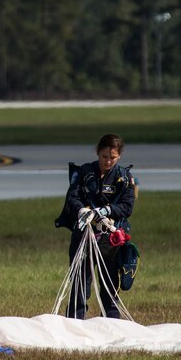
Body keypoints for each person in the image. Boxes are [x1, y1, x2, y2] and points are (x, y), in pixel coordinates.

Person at [54, 134, 136, 319]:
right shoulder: (84, 173)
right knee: (80, 282)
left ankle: (112, 322)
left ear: (119, 156)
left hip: (110, 239)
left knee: (109, 283)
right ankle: (75, 322)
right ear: (98, 153)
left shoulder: (124, 177)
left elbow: (127, 207)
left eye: (112, 157)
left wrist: (106, 211)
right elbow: (72, 197)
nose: (108, 161)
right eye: (104, 156)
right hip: (84, 236)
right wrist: (82, 210)